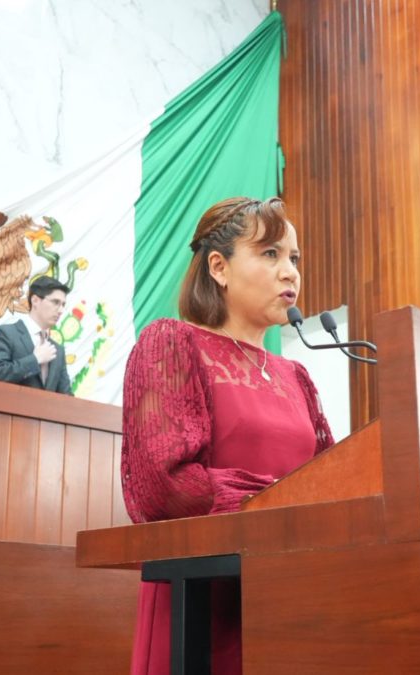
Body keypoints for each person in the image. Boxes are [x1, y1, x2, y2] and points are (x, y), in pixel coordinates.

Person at [121, 196, 333, 675]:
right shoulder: (172, 343)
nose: (290, 273)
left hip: (292, 599)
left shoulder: (296, 375)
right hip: (202, 602)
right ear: (218, 266)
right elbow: (164, 487)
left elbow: (333, 483)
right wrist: (279, 507)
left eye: (294, 258)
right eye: (270, 254)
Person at [0, 276, 73, 395]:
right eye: (55, 302)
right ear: (35, 300)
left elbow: (66, 397)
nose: (61, 310)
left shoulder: (58, 350)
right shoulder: (6, 334)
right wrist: (34, 360)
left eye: (63, 305)